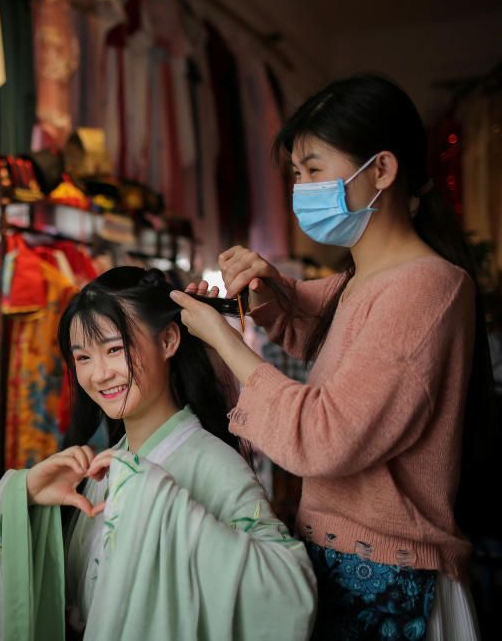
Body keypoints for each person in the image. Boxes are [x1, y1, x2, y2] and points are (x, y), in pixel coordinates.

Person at [170, 74, 488, 640]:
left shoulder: (425, 288)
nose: (301, 188)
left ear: (383, 171)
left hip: (392, 585)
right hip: (345, 569)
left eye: (314, 170)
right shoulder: (363, 279)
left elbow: (326, 435)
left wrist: (226, 344)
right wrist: (267, 291)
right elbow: (322, 322)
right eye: (296, 174)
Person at [0, 266, 316, 640]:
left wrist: (163, 504)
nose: (99, 374)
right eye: (84, 358)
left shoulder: (213, 464)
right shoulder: (106, 467)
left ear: (168, 341)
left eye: (114, 349)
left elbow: (289, 594)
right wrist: (27, 496)